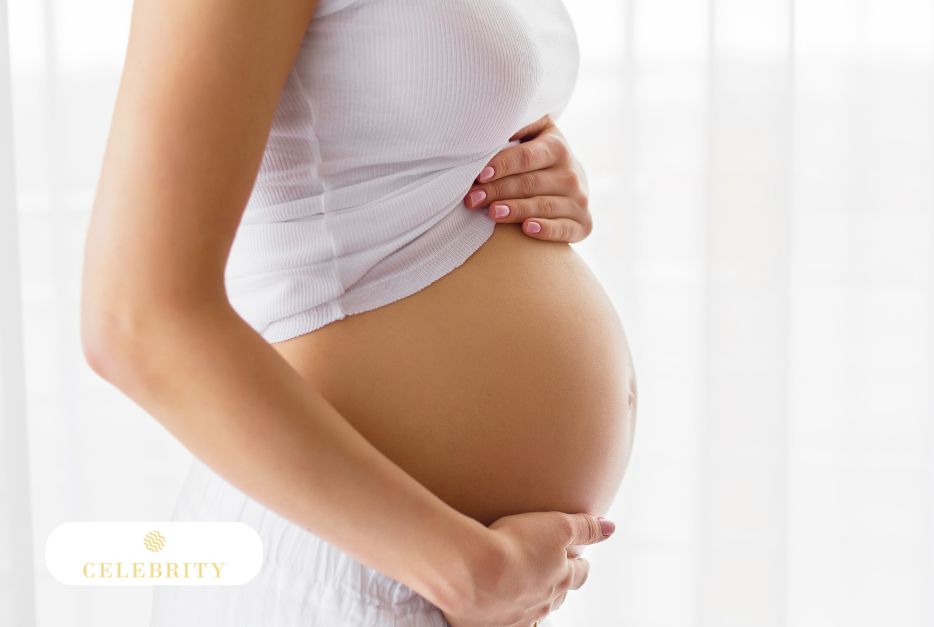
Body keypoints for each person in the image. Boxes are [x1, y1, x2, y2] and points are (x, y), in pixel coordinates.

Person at [80, 0, 637, 625]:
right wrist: (468, 571)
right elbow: (137, 322)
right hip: (353, 567)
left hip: (438, 572)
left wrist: (538, 160)